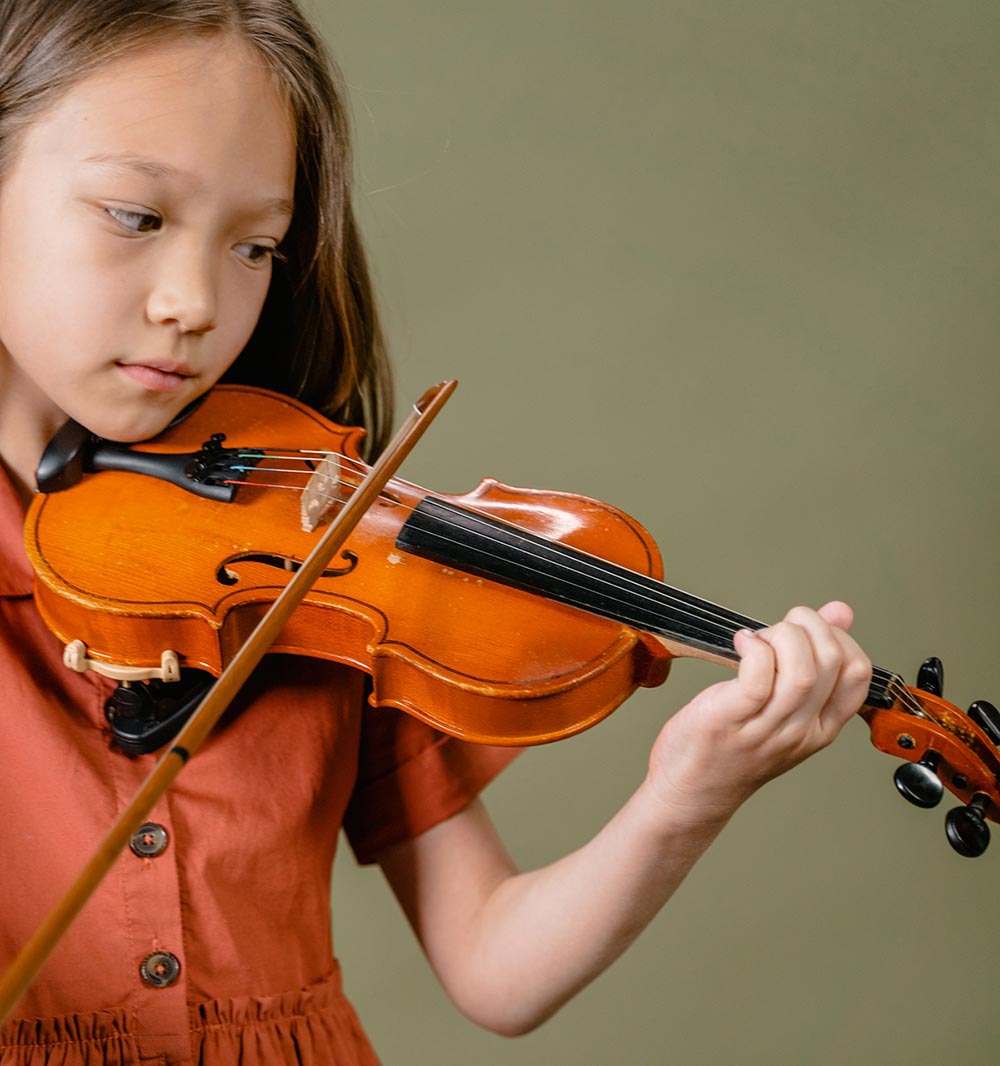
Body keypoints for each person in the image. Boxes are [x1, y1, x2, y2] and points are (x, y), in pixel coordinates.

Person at [0, 1, 873, 1062]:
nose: (193, 301)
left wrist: (689, 790)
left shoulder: (320, 557)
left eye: (255, 244)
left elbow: (495, 965)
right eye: (137, 216)